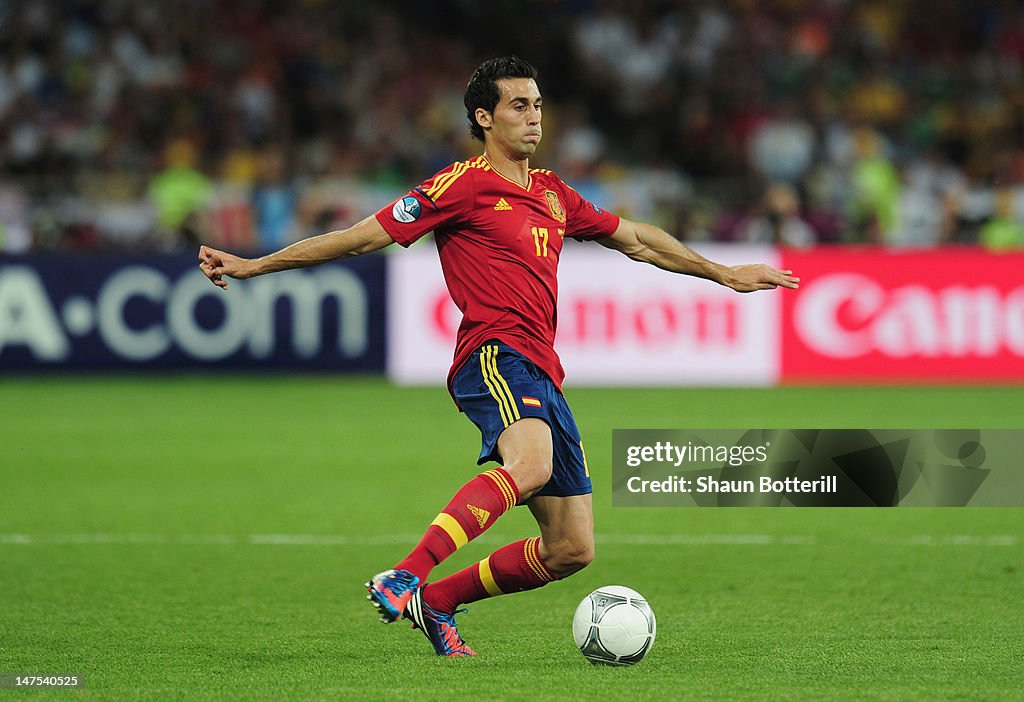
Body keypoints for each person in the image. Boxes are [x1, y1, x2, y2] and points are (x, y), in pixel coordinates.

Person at [198, 56, 799, 658]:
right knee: (531, 466)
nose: (534, 117)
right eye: (519, 106)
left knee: (572, 549)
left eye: (538, 105)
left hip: (543, 368)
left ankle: (438, 601)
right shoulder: (459, 185)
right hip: (493, 353)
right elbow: (364, 235)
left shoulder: (553, 192)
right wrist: (256, 265)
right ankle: (405, 574)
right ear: (484, 118)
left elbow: (637, 238)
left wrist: (722, 272)